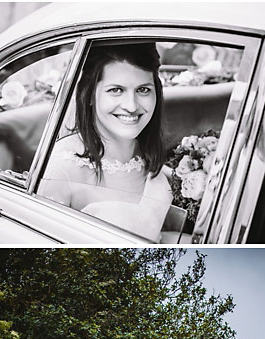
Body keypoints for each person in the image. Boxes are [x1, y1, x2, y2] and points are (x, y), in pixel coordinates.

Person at [38, 42, 173, 242]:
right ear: (90, 95)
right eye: (116, 90)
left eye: (143, 90)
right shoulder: (62, 170)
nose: (131, 106)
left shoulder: (151, 156)